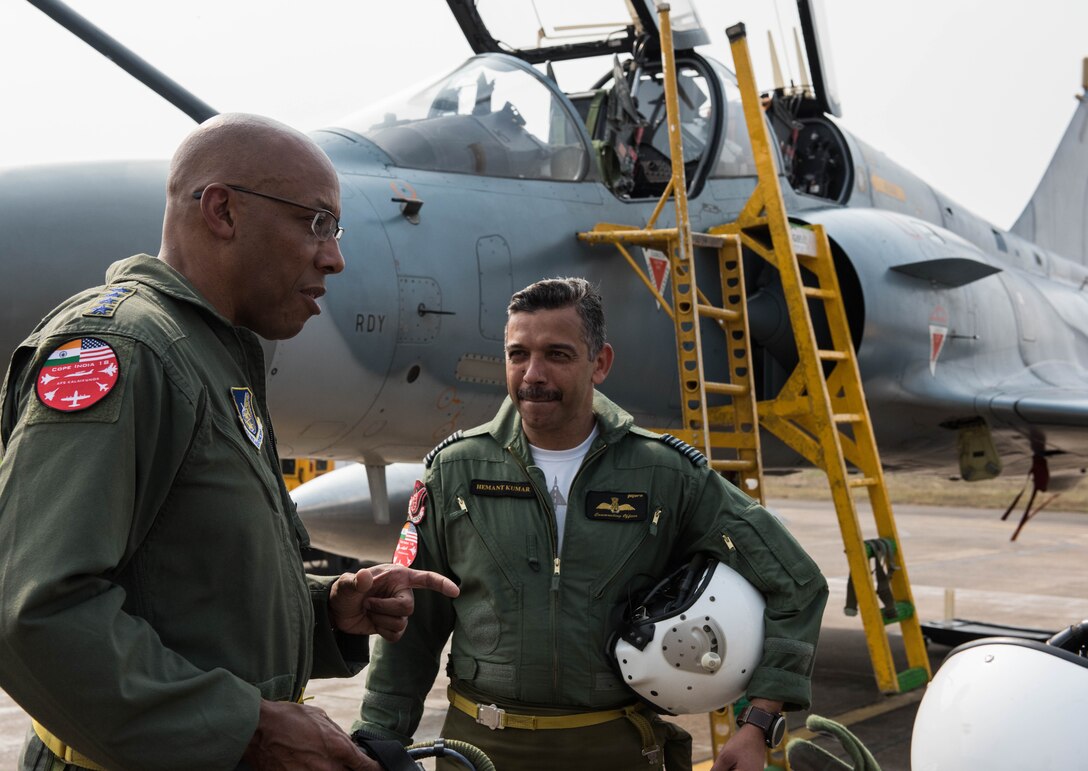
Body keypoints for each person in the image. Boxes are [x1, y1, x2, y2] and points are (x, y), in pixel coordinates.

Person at [0, 113, 458, 771]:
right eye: (317, 223)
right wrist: (246, 731)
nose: (334, 255)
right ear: (222, 211)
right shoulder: (127, 351)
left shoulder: (208, 355)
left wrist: (327, 609)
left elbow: (183, 586)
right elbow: (33, 611)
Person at [355, 277, 829, 771]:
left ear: (599, 363)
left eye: (557, 355)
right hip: (480, 753)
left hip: (617, 751)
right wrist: (374, 741)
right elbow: (406, 625)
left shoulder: (665, 474)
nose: (532, 374)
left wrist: (758, 724)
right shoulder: (456, 471)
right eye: (518, 355)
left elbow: (796, 583)